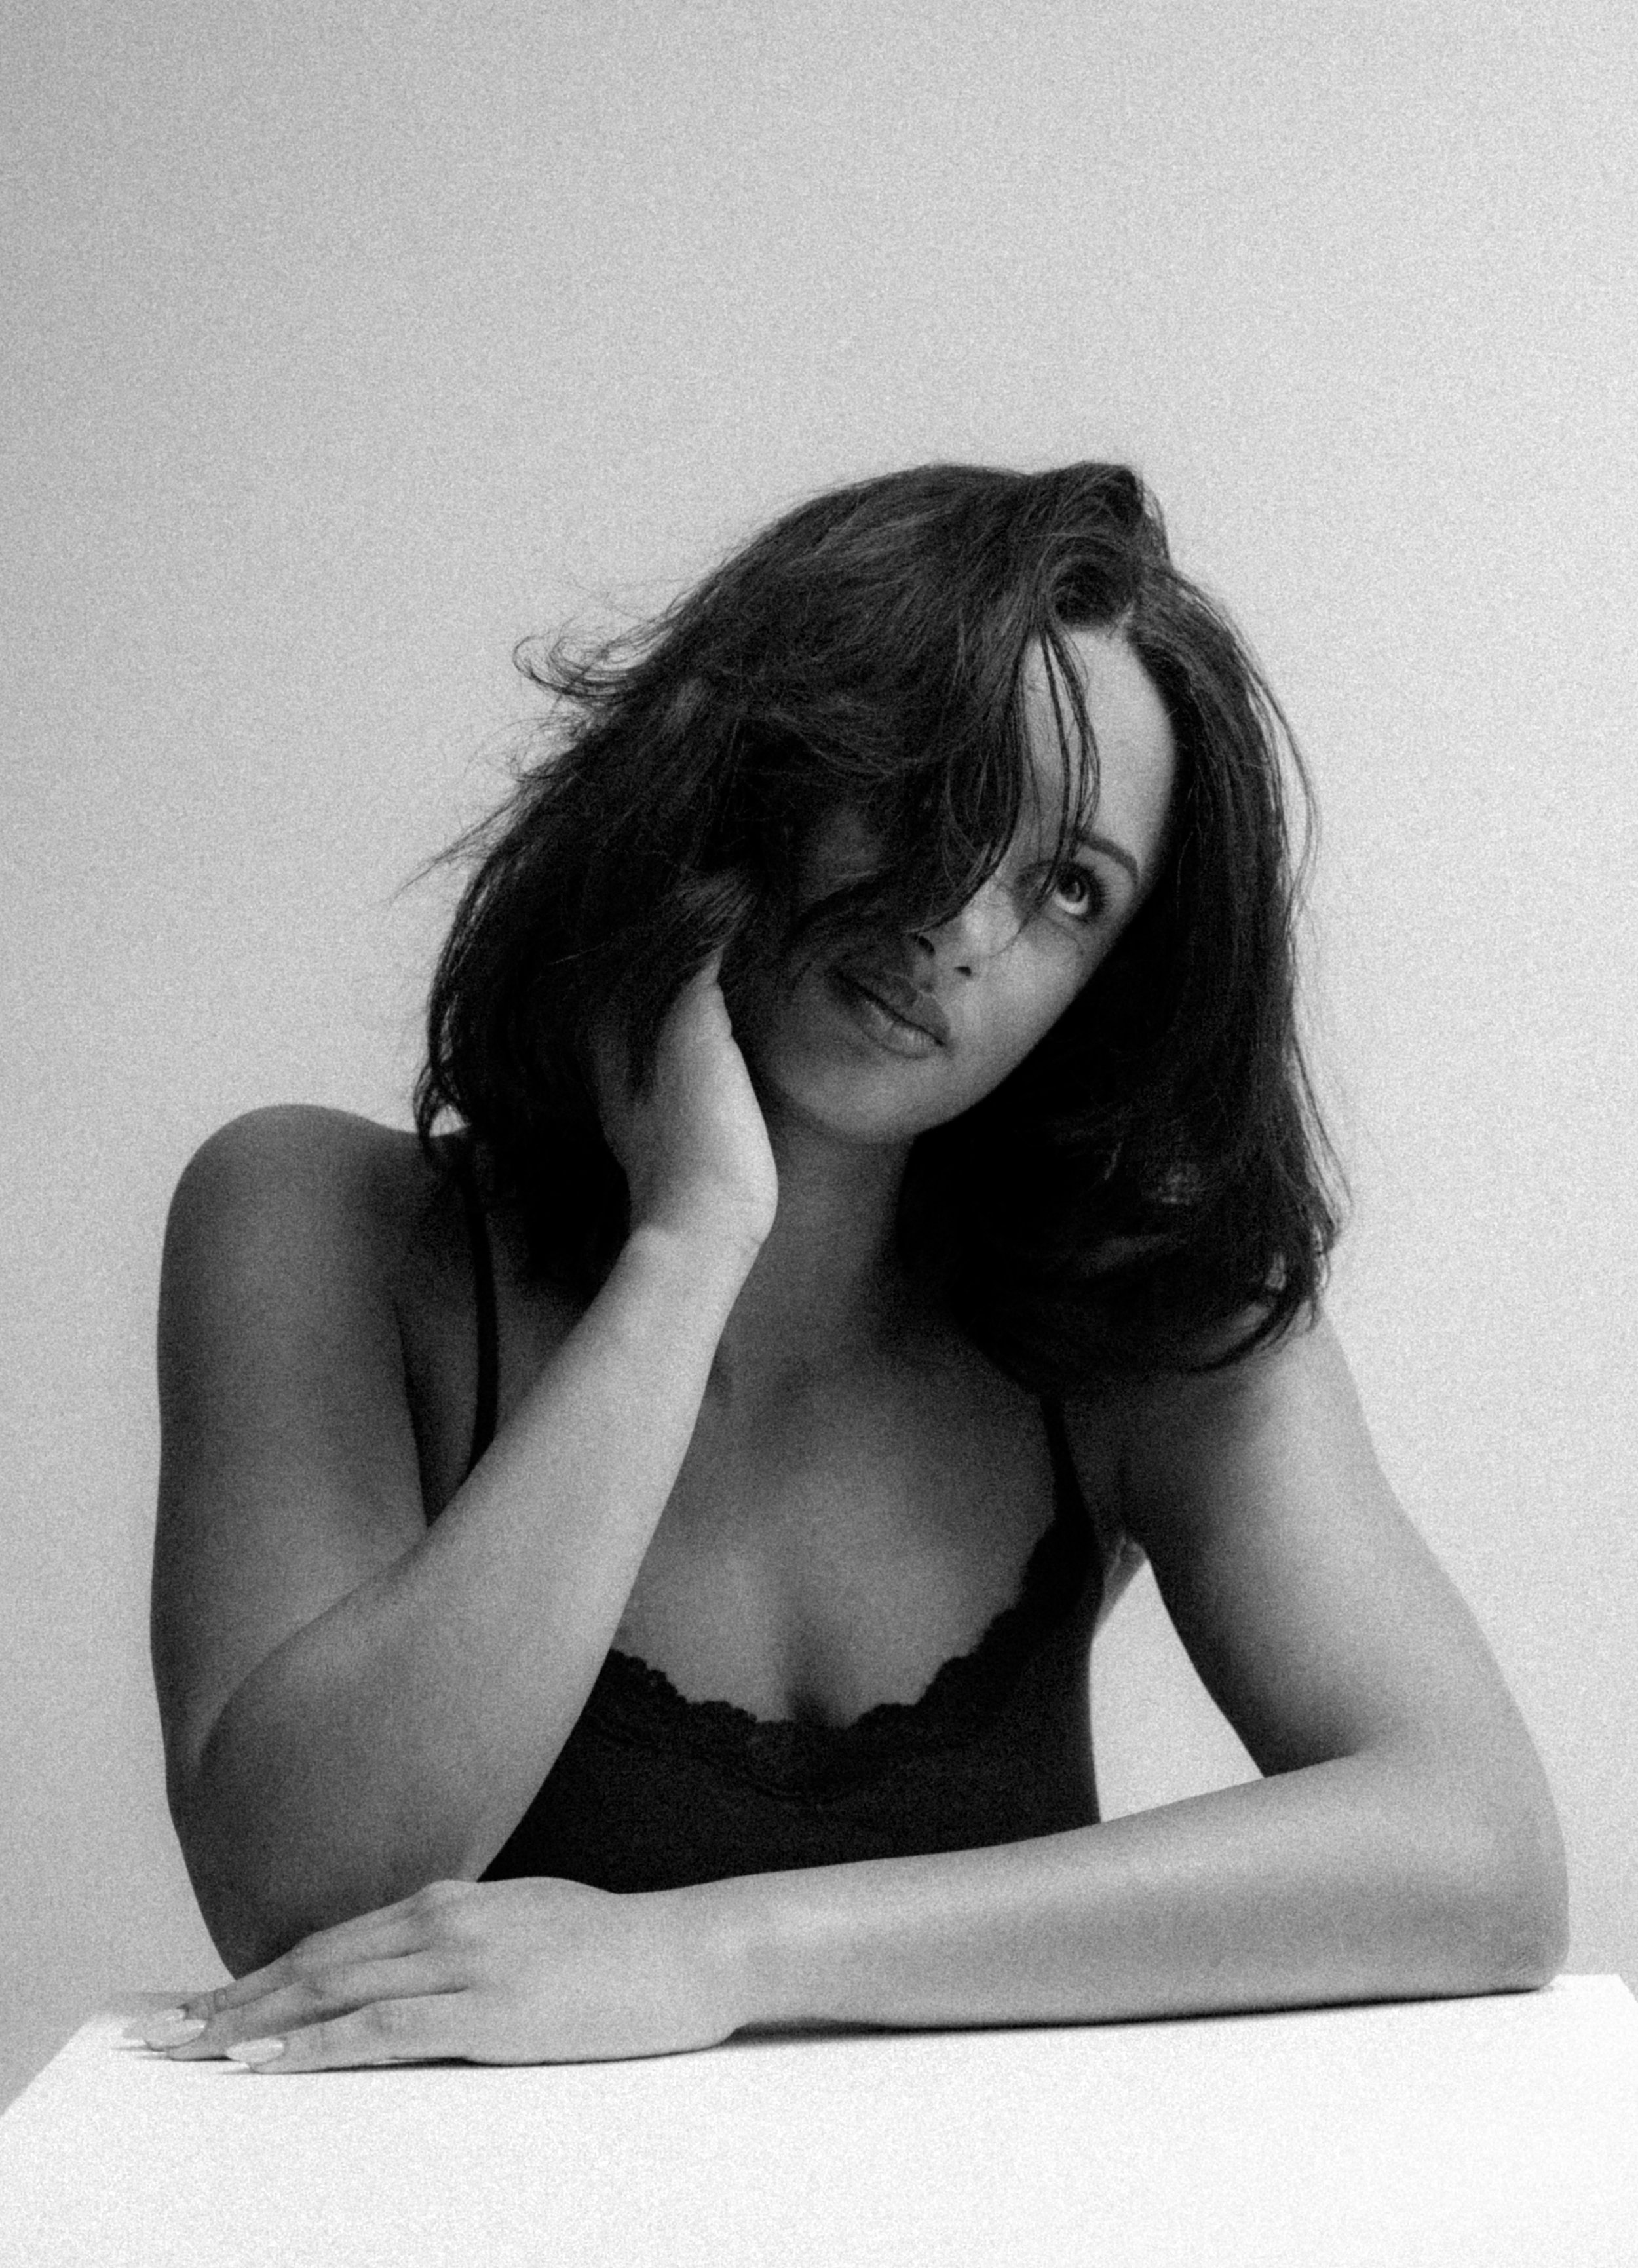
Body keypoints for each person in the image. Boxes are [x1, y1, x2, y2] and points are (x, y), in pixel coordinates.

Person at [141, 461, 1567, 2075]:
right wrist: (687, 1249)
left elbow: (1479, 1854)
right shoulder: (320, 1222)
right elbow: (292, 1885)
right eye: (929, 796)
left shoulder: (1131, 1321)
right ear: (753, 763)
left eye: (1068, 891)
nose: (965, 924)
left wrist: (717, 1951)